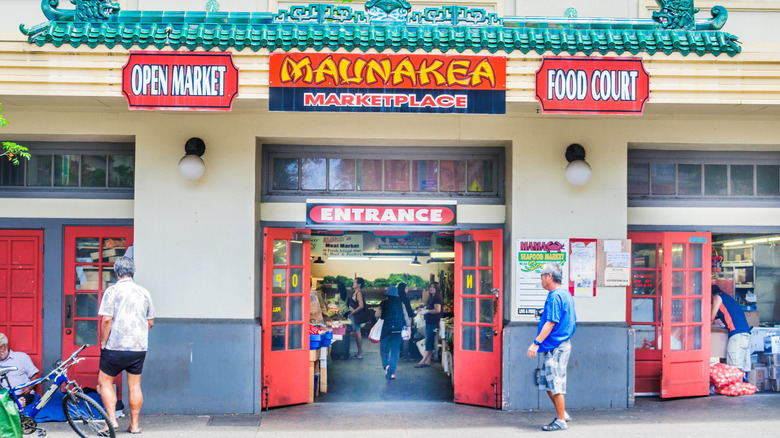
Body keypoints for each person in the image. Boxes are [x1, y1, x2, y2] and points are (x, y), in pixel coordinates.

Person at [97, 256, 155, 434]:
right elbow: (150, 322)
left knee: (105, 381)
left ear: (116, 272)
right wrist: (140, 339)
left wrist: (103, 342)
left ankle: (111, 421)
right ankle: (134, 425)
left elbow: (107, 319)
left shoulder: (112, 291)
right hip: (138, 348)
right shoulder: (144, 292)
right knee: (135, 385)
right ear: (133, 272)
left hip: (115, 347)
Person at [527, 262, 576, 432]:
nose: (540, 279)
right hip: (557, 345)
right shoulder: (564, 294)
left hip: (556, 346)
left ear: (549, 276)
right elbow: (557, 316)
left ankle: (561, 421)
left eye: (541, 275)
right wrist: (543, 313)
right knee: (548, 383)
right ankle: (562, 413)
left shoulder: (555, 296)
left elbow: (551, 322)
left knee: (555, 384)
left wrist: (535, 343)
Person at [711, 285, 751, 371]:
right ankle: (740, 384)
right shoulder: (727, 298)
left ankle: (737, 384)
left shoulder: (717, 297)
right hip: (743, 335)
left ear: (711, 294)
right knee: (739, 368)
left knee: (734, 369)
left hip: (737, 335)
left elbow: (711, 318)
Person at [375, 286, 410, 380]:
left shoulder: (383, 303)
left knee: (384, 350)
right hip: (398, 330)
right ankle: (392, 373)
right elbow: (406, 317)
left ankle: (386, 366)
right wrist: (409, 329)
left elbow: (377, 315)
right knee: (395, 351)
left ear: (387, 295)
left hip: (386, 329)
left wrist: (381, 319)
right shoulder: (400, 303)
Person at [0, 333, 39, 408]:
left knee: (22, 400)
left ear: (6, 345)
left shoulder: (21, 357)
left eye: (0, 347)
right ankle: (14, 406)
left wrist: (29, 387)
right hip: (4, 396)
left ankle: (15, 405)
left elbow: (34, 375)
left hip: (22, 395)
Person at [415, 281, 442, 368]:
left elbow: (437, 310)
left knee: (429, 341)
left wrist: (427, 311)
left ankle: (422, 361)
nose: (431, 289)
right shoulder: (432, 298)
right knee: (429, 340)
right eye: (430, 287)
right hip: (430, 322)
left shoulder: (436, 298)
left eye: (433, 287)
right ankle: (428, 361)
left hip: (433, 323)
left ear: (436, 289)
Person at [347, 277, 367, 360]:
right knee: (356, 332)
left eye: (355, 282)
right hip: (354, 316)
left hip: (356, 316)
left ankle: (360, 353)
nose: (353, 284)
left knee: (358, 333)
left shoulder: (358, 293)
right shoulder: (355, 292)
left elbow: (361, 306)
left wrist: (352, 312)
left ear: (359, 284)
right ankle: (359, 352)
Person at [397, 282, 416, 362]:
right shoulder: (405, 298)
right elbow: (409, 311)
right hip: (405, 321)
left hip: (397, 321)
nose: (407, 289)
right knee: (406, 338)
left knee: (398, 338)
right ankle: (405, 356)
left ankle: (399, 354)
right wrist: (413, 318)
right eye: (406, 288)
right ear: (403, 289)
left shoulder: (396, 298)